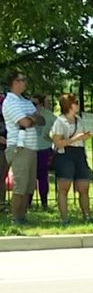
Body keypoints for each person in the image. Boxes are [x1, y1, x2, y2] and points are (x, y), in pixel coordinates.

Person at [3, 71, 45, 225]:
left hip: (31, 147)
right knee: (20, 185)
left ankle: (23, 216)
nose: (25, 82)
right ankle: (16, 218)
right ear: (15, 82)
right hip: (19, 147)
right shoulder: (10, 102)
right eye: (22, 80)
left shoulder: (26, 101)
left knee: (29, 186)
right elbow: (24, 123)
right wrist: (31, 118)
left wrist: (31, 118)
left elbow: (40, 120)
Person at [49, 93, 93, 226]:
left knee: (84, 186)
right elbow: (58, 143)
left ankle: (87, 216)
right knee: (64, 188)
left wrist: (86, 136)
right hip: (65, 155)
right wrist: (76, 138)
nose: (78, 105)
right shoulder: (60, 122)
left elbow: (83, 137)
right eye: (76, 102)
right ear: (69, 105)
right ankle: (64, 218)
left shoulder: (79, 120)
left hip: (79, 153)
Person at [32, 94, 55, 210]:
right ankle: (28, 203)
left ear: (40, 104)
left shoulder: (49, 116)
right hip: (30, 149)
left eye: (34, 103)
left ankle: (44, 203)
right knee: (30, 178)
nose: (32, 106)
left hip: (44, 150)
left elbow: (61, 129)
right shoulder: (27, 114)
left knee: (42, 177)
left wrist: (52, 139)